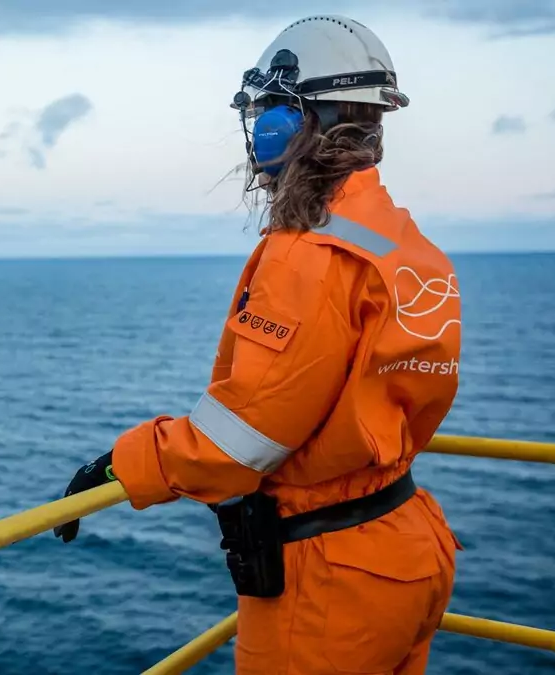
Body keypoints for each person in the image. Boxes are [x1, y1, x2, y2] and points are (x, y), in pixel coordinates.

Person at [54, 15, 463, 675]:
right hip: (408, 547)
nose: (260, 129)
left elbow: (242, 440)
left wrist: (118, 466)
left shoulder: (310, 255)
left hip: (331, 585)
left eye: (270, 108)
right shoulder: (402, 243)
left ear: (301, 120)